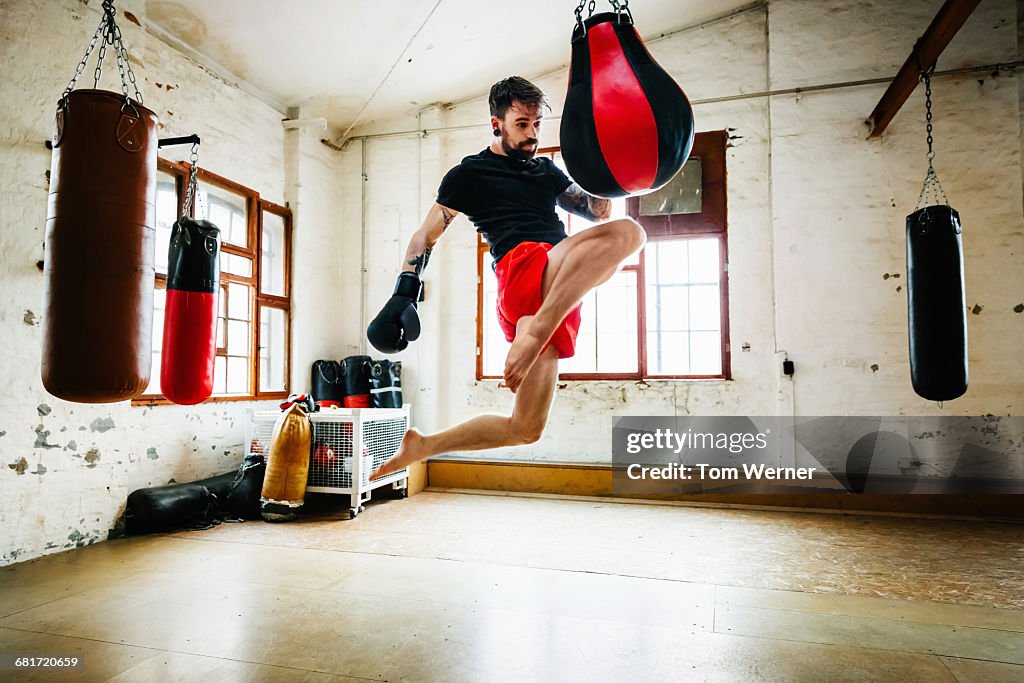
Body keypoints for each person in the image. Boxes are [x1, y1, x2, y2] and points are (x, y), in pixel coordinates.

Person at [368, 76, 645, 479]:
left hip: (554, 292)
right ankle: (533, 332)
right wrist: (402, 293)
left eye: (536, 124)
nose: (532, 134)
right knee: (631, 234)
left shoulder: (547, 171)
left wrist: (604, 170)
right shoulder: (470, 174)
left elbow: (597, 212)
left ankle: (424, 445)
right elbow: (425, 234)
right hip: (525, 265)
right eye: (521, 124)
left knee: (525, 428)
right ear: (496, 122)